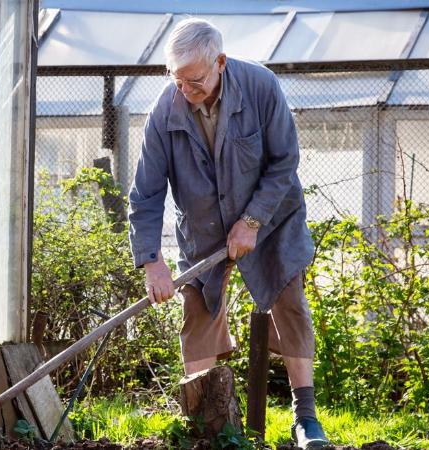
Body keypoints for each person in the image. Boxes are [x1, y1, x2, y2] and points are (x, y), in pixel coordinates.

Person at [127, 18, 329, 449]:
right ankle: (207, 426)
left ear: (219, 62)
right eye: (176, 80)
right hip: (203, 230)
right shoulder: (165, 111)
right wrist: (151, 261)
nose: (185, 90)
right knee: (198, 314)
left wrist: (252, 220)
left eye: (194, 80)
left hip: (272, 221)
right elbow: (144, 195)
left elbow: (283, 161)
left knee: (289, 301)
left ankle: (305, 419)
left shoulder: (260, 87)